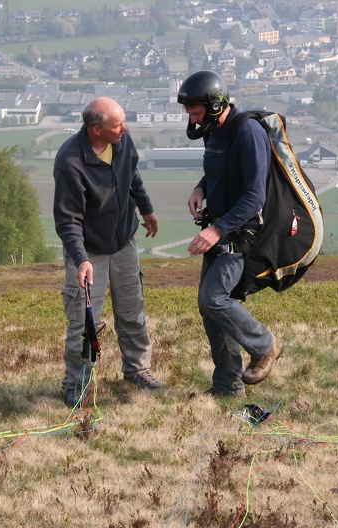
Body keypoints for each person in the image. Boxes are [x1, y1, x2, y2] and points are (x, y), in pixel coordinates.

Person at [177, 70, 284, 398]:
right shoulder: (214, 132)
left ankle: (266, 345)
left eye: (196, 113)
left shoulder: (247, 132)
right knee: (208, 306)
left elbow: (254, 196)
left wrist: (217, 229)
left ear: (213, 106)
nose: (192, 121)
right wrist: (201, 187)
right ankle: (227, 385)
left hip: (240, 232)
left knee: (214, 298)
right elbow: (219, 173)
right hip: (219, 227)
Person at [53, 97, 164, 407]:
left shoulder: (122, 141)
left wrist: (147, 209)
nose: (124, 129)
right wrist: (81, 258)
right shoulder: (70, 163)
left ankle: (138, 370)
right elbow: (68, 219)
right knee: (84, 323)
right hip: (89, 252)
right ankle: (77, 384)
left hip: (124, 241)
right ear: (96, 129)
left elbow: (133, 177)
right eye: (118, 125)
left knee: (132, 311)